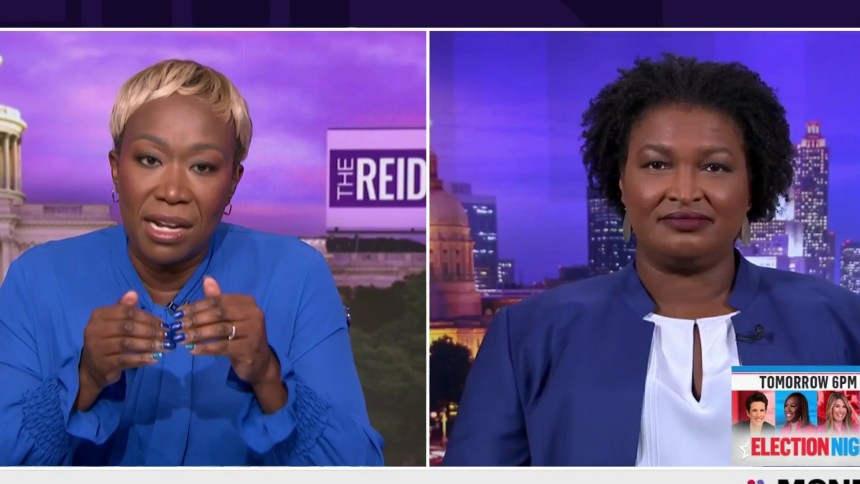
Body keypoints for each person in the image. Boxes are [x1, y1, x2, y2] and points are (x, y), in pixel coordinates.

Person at [442, 53, 860, 466]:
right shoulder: (530, 336)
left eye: (715, 167)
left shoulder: (837, 324)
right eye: (657, 164)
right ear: (621, 184)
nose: (685, 191)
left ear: (752, 187)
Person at [0, 59, 384, 465]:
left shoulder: (297, 276)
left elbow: (357, 466)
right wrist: (85, 379)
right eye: (149, 160)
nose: (172, 191)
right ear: (116, 169)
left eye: (202, 167)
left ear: (232, 181)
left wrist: (269, 377)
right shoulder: (37, 279)